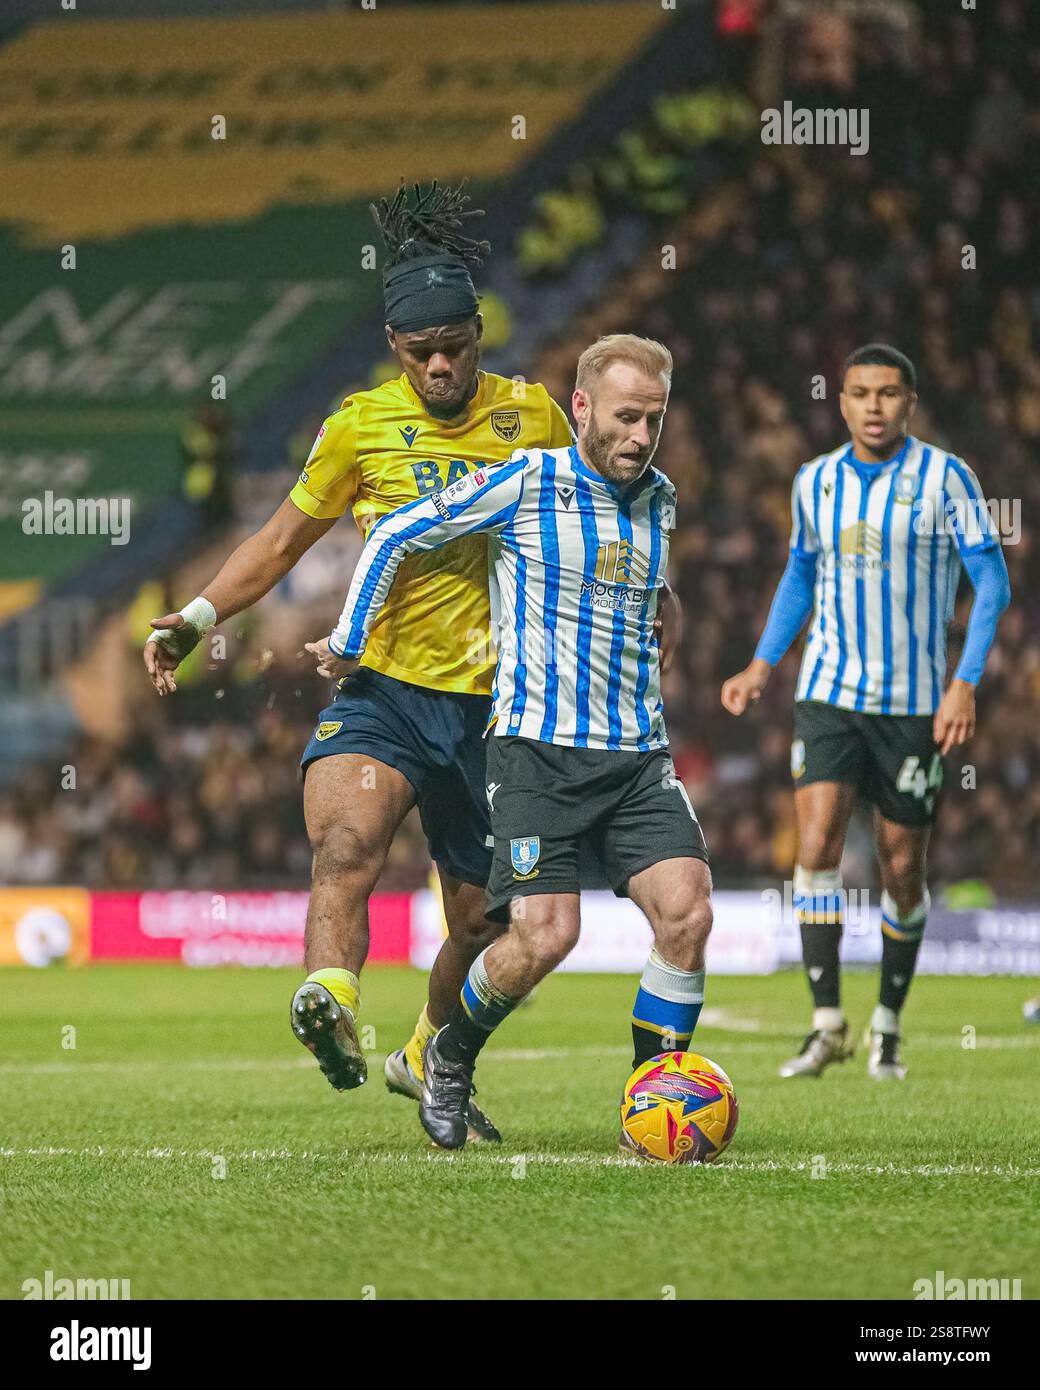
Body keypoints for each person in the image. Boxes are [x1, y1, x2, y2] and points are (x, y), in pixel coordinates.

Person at [143, 183, 680, 1141]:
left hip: (501, 711)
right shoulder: (358, 427)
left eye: (455, 347)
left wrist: (657, 595)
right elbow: (277, 542)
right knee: (346, 844)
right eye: (418, 351)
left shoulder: (533, 417)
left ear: (480, 333)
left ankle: (431, 1053)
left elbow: (610, 507)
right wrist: (195, 616)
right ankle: (331, 999)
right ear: (393, 347)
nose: (439, 365)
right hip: (385, 688)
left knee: (481, 924)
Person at [317, 334, 712, 1152]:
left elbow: (634, 579)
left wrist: (663, 602)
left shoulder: (662, 498)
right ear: (582, 409)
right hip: (534, 752)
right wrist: (352, 637)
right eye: (628, 417)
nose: (641, 436)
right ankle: (446, 1059)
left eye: (656, 419)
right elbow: (396, 535)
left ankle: (655, 1102)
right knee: (543, 936)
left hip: (637, 757)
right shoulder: (528, 481)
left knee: (688, 913)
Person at [722, 344, 1011, 1080]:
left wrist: (964, 681)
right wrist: (762, 663)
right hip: (827, 693)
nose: (874, 405)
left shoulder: (947, 479)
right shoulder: (814, 483)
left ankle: (888, 1020)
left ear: (909, 403)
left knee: (901, 867)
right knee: (814, 846)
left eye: (888, 393)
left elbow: (992, 582)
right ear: (841, 402)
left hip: (914, 705)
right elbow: (800, 574)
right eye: (860, 393)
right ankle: (827, 1023)